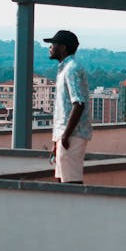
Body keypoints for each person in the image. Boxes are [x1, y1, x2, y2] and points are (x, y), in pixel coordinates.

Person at [44, 29, 92, 184]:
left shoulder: (72, 69)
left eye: (53, 44)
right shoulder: (65, 69)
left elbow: (78, 104)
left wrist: (65, 136)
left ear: (63, 47)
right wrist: (57, 140)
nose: (50, 47)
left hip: (72, 135)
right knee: (62, 180)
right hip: (65, 135)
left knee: (71, 182)